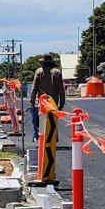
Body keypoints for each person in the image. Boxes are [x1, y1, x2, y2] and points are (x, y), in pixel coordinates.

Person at [32, 54, 66, 184]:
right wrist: (62, 102)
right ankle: (52, 140)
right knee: (53, 123)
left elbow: (34, 87)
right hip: (53, 103)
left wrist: (31, 101)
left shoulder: (39, 72)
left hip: (42, 103)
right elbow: (60, 89)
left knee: (41, 123)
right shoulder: (57, 72)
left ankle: (43, 140)